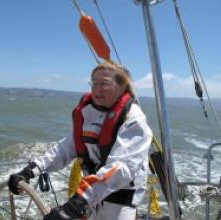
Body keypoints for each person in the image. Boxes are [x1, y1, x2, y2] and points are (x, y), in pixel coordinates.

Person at [8, 61, 153, 220]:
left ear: (121, 87)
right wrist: (30, 170)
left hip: (119, 202)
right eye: (94, 83)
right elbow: (64, 149)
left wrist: (80, 201)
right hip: (91, 198)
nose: (97, 89)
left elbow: (122, 168)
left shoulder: (134, 120)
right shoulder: (88, 115)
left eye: (105, 83)